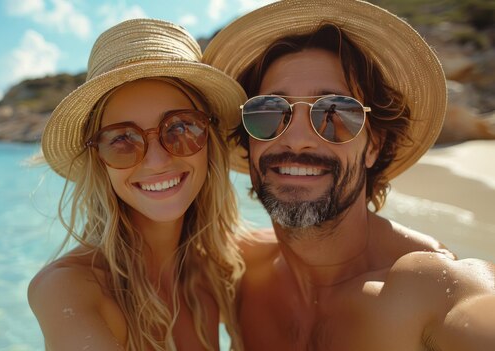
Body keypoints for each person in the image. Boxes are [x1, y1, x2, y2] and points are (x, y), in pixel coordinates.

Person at [203, 1, 495, 350]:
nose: (295, 139)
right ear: (248, 141)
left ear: (374, 145)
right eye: (268, 112)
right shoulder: (236, 270)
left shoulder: (429, 289)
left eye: (335, 112)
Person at [29, 19, 248, 351]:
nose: (157, 161)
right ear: (98, 160)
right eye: (122, 139)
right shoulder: (68, 288)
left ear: (211, 140)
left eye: (181, 128)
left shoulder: (222, 269)